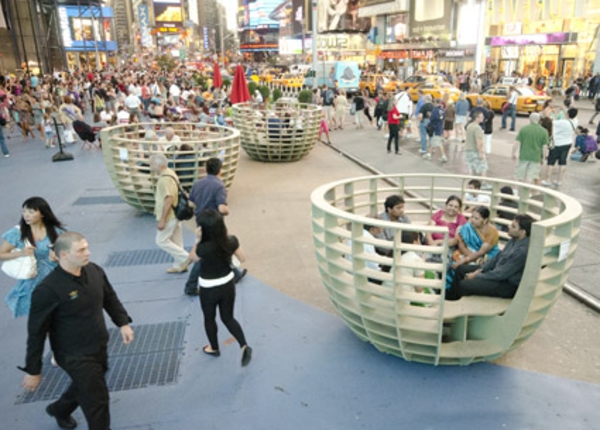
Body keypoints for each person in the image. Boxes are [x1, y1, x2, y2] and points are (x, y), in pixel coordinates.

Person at [20, 231, 134, 430]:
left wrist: (122, 322)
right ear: (64, 255)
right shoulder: (48, 290)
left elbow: (109, 297)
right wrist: (33, 370)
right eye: (81, 250)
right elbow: (36, 333)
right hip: (72, 354)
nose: (88, 253)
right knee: (97, 400)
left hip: (98, 344)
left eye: (87, 247)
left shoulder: (94, 271)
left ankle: (60, 409)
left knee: (91, 382)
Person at [189, 210, 252, 366]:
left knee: (209, 319)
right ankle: (243, 344)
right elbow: (242, 258)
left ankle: (214, 348)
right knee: (228, 317)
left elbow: (192, 258)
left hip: (208, 288)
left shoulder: (202, 248)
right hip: (227, 284)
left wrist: (197, 240)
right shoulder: (230, 241)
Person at [0, 197, 65, 318]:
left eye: (31, 212)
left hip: (55, 277)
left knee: (58, 314)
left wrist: (58, 257)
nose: (26, 215)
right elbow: (1, 254)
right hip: (33, 280)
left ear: (42, 214)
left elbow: (68, 253)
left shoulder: (56, 232)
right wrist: (21, 253)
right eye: (24, 211)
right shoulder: (17, 233)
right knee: (40, 316)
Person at [447, 214, 534, 300]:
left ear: (523, 232)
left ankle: (460, 306)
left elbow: (501, 274)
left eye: (513, 226)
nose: (509, 226)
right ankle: (452, 298)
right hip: (498, 272)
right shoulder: (514, 239)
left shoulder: (522, 251)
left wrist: (477, 275)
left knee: (464, 284)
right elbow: (497, 257)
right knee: (461, 269)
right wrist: (481, 269)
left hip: (507, 285)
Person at [149, 153, 191, 274]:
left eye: (152, 165)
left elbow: (169, 199)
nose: (151, 167)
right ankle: (180, 265)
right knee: (176, 240)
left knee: (161, 240)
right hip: (176, 213)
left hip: (170, 215)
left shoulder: (164, 180)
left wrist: (162, 219)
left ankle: (185, 258)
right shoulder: (170, 173)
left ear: (158, 165)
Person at [452, 206, 500, 271]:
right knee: (453, 262)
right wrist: (471, 258)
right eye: (472, 217)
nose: (472, 220)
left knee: (465, 267)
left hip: (486, 257)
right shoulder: (468, 227)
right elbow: (461, 246)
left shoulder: (492, 232)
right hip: (470, 254)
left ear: (485, 220)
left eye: (476, 218)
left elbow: (481, 252)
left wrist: (465, 260)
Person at [542, 107, 578, 186]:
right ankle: (559, 180)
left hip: (556, 143)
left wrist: (552, 113)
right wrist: (565, 109)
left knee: (551, 161)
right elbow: (570, 114)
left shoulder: (561, 122)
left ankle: (548, 180)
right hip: (567, 143)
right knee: (563, 162)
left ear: (567, 114)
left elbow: (549, 120)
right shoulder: (575, 122)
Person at [512, 113, 549, 186]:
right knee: (530, 176)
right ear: (539, 120)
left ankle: (515, 190)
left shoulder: (524, 129)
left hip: (523, 155)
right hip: (535, 157)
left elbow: (517, 143)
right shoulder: (544, 131)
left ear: (530, 119)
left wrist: (513, 153)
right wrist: (543, 158)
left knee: (519, 175)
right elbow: (544, 147)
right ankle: (526, 192)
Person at [422, 98, 448, 163]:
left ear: (436, 103)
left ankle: (443, 156)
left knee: (438, 143)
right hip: (439, 128)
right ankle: (429, 153)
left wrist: (429, 117)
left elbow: (432, 119)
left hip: (435, 128)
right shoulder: (442, 110)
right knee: (434, 141)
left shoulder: (435, 110)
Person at [464, 111, 488, 177]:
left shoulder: (469, 126)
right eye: (481, 117)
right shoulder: (478, 128)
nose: (483, 118)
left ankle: (470, 183)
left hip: (468, 149)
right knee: (483, 166)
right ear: (476, 118)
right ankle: (484, 182)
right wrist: (481, 152)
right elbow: (479, 141)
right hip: (475, 150)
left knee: (470, 167)